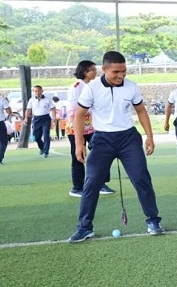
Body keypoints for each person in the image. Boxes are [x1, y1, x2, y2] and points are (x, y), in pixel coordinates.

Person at [68, 51, 163, 242]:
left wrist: (150, 137)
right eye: (116, 72)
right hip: (102, 140)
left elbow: (141, 111)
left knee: (141, 178)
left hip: (128, 138)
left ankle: (153, 220)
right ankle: (85, 227)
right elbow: (79, 115)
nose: (121, 76)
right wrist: (79, 143)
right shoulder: (91, 88)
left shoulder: (131, 87)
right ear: (104, 69)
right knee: (92, 181)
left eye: (124, 71)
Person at [66, 60, 115, 197]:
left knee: (101, 153)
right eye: (92, 69)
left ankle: (100, 183)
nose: (95, 72)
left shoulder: (92, 86)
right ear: (84, 71)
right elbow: (72, 107)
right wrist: (75, 125)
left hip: (92, 127)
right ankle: (78, 187)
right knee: (78, 156)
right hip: (78, 127)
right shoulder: (77, 86)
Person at [24, 85, 56, 158]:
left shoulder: (47, 100)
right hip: (36, 119)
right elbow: (28, 109)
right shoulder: (31, 100)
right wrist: (26, 118)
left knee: (46, 135)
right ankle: (42, 148)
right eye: (36, 91)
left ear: (42, 91)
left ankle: (46, 152)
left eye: (39, 91)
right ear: (34, 92)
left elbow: (53, 108)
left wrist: (53, 119)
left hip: (46, 118)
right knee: (36, 137)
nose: (37, 92)